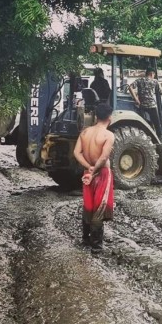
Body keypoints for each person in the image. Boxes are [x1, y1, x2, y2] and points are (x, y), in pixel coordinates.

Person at [73, 103, 115, 252]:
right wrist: (95, 170)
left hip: (87, 173)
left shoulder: (85, 132)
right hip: (101, 173)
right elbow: (103, 157)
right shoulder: (108, 135)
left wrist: (88, 169)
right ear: (109, 117)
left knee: (88, 205)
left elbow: (77, 153)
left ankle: (85, 239)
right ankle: (96, 245)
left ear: (96, 116)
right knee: (99, 207)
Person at [128, 67, 162, 142]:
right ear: (152, 74)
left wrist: (136, 99)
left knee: (145, 124)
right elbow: (161, 92)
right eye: (154, 74)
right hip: (152, 106)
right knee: (157, 124)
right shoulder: (154, 82)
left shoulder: (139, 80)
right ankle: (161, 140)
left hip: (142, 106)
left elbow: (130, 87)